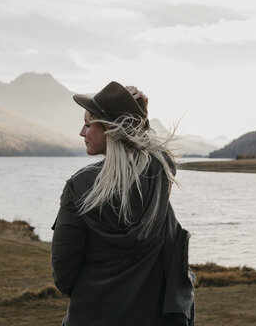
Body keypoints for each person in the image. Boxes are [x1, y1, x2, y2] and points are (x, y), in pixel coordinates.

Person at [51, 81, 195, 326]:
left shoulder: (79, 187)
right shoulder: (157, 176)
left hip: (90, 316)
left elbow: (63, 275)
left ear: (111, 130)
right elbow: (157, 155)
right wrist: (141, 118)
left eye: (88, 125)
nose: (82, 133)